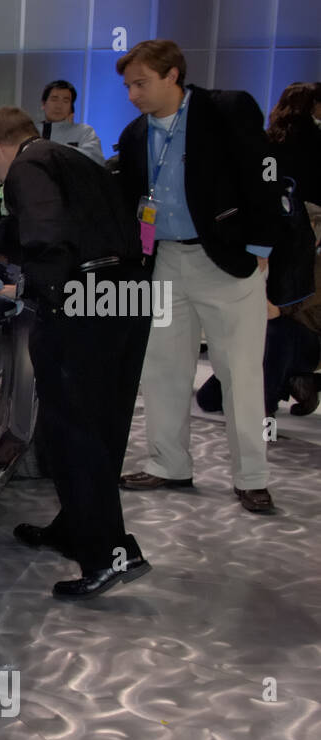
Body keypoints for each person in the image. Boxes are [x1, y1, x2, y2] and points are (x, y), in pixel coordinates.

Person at [0, 106, 151, 600]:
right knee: (103, 426)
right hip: (127, 296)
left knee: (73, 429)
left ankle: (109, 555)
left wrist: (27, 287)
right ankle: (75, 528)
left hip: (83, 303)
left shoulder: (29, 166)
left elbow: (50, 241)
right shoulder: (80, 161)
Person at [114, 39, 280, 514]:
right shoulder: (132, 136)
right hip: (165, 261)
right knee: (162, 369)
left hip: (226, 261)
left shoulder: (226, 110)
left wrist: (261, 248)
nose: (132, 94)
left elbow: (263, 176)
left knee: (239, 372)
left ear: (172, 75)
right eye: (128, 86)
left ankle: (251, 476)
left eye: (141, 83)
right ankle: (168, 464)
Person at [197, 82, 321, 417]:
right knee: (279, 318)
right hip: (280, 246)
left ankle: (280, 385)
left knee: (278, 321)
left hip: (277, 254)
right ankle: (289, 379)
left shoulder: (268, 145)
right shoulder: (275, 150)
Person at [38, 80, 105, 165]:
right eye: (54, 99)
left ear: (71, 107)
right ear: (43, 104)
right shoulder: (32, 132)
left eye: (65, 101)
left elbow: (96, 159)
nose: (59, 106)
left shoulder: (84, 132)